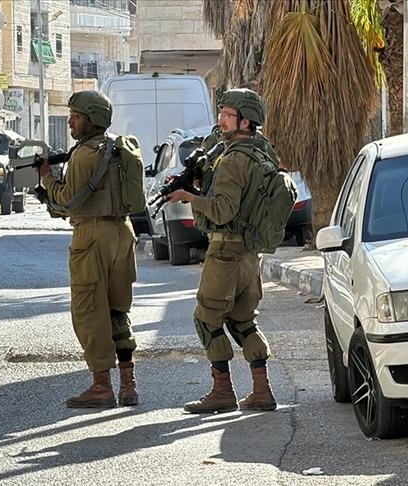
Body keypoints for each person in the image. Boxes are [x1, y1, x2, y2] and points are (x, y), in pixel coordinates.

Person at [164, 88, 277, 413]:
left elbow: (224, 209)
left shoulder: (233, 160)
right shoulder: (261, 152)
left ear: (246, 121)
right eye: (221, 113)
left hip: (226, 250)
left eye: (228, 115)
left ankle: (222, 391)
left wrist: (189, 197)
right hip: (248, 252)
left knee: (207, 319)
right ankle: (262, 391)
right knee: (243, 321)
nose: (221, 120)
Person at [37, 90, 139, 409]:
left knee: (89, 310)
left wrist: (46, 178)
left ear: (93, 119)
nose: (70, 122)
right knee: (117, 309)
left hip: (92, 235)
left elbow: (69, 201)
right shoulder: (115, 148)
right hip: (122, 232)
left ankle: (101, 386)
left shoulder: (83, 155)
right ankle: (128, 384)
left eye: (76, 117)